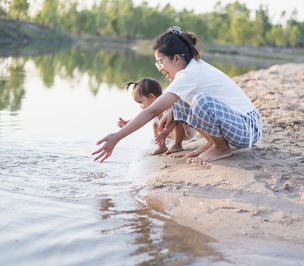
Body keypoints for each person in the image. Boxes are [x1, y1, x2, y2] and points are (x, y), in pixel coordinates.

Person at [92, 26, 262, 163]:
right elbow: (169, 103)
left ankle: (221, 147)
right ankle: (212, 142)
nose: (159, 68)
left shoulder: (189, 74)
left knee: (201, 101)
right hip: (241, 124)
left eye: (161, 62)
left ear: (176, 59)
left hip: (248, 128)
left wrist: (117, 137)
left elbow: (151, 110)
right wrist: (173, 111)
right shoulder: (191, 70)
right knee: (177, 99)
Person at [118, 77, 196, 155]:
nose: (141, 106)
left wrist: (165, 133)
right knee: (155, 124)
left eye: (141, 102)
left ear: (152, 97)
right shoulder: (152, 111)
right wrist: (127, 123)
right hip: (168, 133)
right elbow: (139, 119)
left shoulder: (167, 105)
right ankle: (162, 147)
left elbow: (175, 118)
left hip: (187, 130)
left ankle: (177, 144)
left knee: (174, 119)